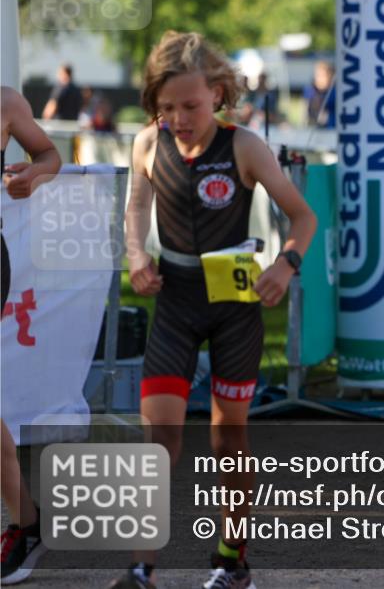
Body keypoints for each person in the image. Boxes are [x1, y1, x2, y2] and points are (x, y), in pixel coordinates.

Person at [113, 31, 316, 589]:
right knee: (159, 437)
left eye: (191, 106)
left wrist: (285, 266)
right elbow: (136, 208)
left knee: (228, 441)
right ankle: (141, 569)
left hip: (234, 308)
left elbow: (303, 217)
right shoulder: (147, 144)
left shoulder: (244, 146)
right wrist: (136, 254)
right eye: (168, 107)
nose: (179, 119)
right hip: (175, 300)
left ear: (219, 94)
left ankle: (232, 558)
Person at [0, 86, 62, 585]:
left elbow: (49, 154)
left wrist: (35, 174)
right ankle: (27, 522)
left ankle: (26, 522)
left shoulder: (5, 102)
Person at [303, 60, 336, 129]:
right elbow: (305, 113)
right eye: (317, 75)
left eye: (322, 76)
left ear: (331, 76)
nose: (318, 79)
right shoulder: (310, 90)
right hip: (313, 127)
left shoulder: (334, 93)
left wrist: (328, 118)